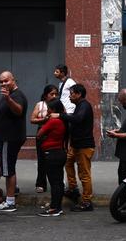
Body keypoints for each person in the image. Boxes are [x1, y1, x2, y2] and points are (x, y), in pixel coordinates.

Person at [52, 83, 95, 211]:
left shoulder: (84, 106)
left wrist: (60, 115)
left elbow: (77, 119)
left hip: (84, 146)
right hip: (76, 145)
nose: (70, 96)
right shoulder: (79, 106)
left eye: (72, 94)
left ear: (79, 94)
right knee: (68, 163)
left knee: (84, 174)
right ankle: (73, 189)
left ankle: (87, 201)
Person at [0, 71, 28, 212]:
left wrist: (8, 99)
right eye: (1, 82)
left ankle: (10, 202)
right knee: (9, 166)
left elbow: (18, 111)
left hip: (9, 138)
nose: (3, 84)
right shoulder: (9, 94)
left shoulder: (17, 95)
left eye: (6, 81)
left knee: (8, 170)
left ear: (13, 80)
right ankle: (13, 191)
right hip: (5, 137)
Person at [37, 100, 68, 217]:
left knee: (54, 182)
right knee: (58, 182)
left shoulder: (53, 121)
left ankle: (55, 208)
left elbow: (39, 134)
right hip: (59, 153)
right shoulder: (62, 121)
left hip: (52, 154)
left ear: (53, 110)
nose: (47, 110)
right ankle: (57, 206)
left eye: (49, 108)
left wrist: (45, 121)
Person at [31, 84, 59, 194]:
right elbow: (32, 119)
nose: (54, 96)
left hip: (55, 135)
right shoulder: (40, 105)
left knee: (55, 160)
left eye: (56, 94)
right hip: (42, 134)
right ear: (45, 95)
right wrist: (44, 119)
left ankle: (56, 183)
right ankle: (41, 183)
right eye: (52, 94)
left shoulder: (58, 105)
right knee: (42, 160)